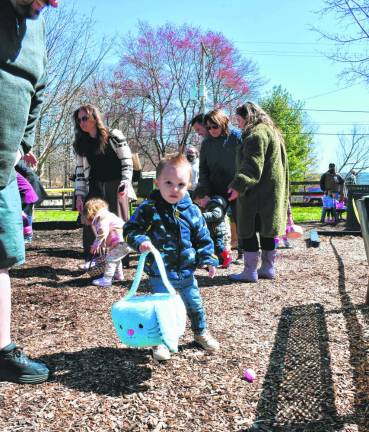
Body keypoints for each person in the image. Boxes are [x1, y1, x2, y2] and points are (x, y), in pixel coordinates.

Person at [0, 0, 59, 385]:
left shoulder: (36, 27)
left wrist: (24, 142)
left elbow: (37, 90)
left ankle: (1, 351)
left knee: (3, 253)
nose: (45, 4)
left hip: (4, 164)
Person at [124, 153, 220, 361]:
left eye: (181, 184)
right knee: (161, 309)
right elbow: (130, 229)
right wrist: (140, 241)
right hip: (160, 272)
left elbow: (203, 238)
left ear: (189, 185)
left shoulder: (192, 211)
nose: (174, 189)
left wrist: (208, 259)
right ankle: (160, 342)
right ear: (157, 183)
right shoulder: (149, 209)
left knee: (194, 305)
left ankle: (200, 333)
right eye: (169, 183)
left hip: (186, 271)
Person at [228, 102, 289, 282]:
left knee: (248, 229)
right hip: (272, 192)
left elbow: (252, 165)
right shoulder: (273, 133)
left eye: (239, 120)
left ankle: (250, 271)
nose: (238, 124)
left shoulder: (256, 134)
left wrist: (238, 185)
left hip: (255, 193)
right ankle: (268, 268)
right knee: (266, 230)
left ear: (247, 117)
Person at [72, 104, 134, 266]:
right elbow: (79, 171)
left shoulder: (114, 136)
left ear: (95, 117)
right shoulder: (81, 144)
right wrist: (79, 194)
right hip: (94, 184)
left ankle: (120, 260)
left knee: (118, 221)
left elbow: (127, 161)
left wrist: (125, 182)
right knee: (90, 219)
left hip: (116, 183)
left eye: (85, 118)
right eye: (79, 120)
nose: (82, 122)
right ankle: (94, 259)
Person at [197, 109, 243, 260]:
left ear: (223, 123)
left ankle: (243, 253)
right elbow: (203, 169)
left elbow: (246, 163)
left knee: (240, 220)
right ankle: (220, 254)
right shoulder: (206, 143)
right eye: (208, 127)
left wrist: (240, 184)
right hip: (216, 188)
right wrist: (204, 192)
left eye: (214, 126)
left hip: (236, 187)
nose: (211, 130)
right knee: (215, 221)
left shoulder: (237, 137)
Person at [82, 198, 131, 287]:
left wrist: (96, 244)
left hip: (121, 242)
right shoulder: (107, 215)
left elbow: (102, 231)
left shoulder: (101, 217)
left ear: (89, 213)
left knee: (110, 259)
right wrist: (102, 244)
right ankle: (118, 275)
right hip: (124, 241)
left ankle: (107, 280)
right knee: (116, 258)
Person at [192, 191, 232, 268]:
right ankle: (219, 260)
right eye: (198, 203)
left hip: (218, 231)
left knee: (219, 246)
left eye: (200, 202)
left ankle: (228, 258)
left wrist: (202, 216)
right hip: (214, 231)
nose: (200, 205)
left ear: (206, 197)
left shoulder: (214, 204)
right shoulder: (209, 206)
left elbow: (216, 215)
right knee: (215, 246)